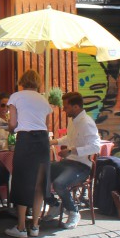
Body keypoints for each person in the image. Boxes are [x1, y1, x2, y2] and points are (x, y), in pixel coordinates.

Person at [4, 69, 53, 238]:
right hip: (42, 141)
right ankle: (36, 225)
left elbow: (13, 123)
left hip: (25, 139)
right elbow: (46, 125)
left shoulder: (16, 96)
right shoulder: (43, 99)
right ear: (38, 82)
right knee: (40, 183)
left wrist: (10, 128)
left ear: (22, 81)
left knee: (22, 180)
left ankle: (21, 226)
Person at [45, 92, 101, 229]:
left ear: (76, 107)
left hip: (81, 166)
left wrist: (72, 151)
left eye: (66, 106)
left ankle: (74, 211)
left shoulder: (87, 123)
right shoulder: (73, 120)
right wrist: (53, 141)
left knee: (59, 183)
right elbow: (69, 139)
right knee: (39, 174)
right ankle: (54, 205)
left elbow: (96, 147)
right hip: (68, 163)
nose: (63, 109)